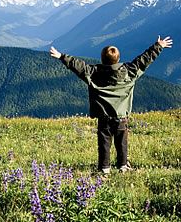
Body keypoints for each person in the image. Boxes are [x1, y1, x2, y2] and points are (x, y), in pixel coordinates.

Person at [50, 36, 173, 174]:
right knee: (122, 143)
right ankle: (123, 165)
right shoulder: (129, 71)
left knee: (104, 143)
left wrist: (61, 56)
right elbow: (144, 60)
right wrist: (158, 46)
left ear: (102, 59)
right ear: (118, 58)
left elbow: (78, 66)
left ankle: (104, 168)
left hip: (104, 118)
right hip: (121, 117)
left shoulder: (93, 73)